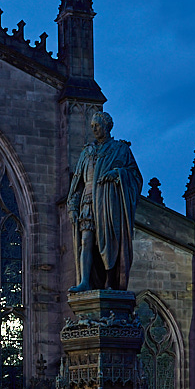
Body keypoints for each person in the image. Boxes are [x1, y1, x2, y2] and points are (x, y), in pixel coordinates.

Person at [66, 109, 142, 292]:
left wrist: (117, 174)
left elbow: (135, 176)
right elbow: (77, 184)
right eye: (92, 126)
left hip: (108, 204)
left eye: (97, 125)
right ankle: (85, 281)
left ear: (107, 126)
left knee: (107, 242)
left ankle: (110, 282)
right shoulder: (87, 152)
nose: (94, 129)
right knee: (86, 241)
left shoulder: (120, 149)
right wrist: (73, 206)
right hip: (88, 202)